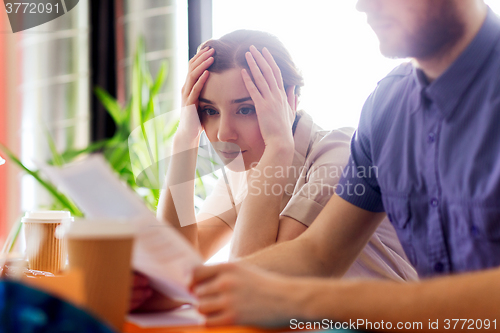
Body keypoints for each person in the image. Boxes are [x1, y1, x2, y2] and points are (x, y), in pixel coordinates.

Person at [190, 0, 500, 328]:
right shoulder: (387, 107)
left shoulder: (331, 152)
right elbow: (318, 254)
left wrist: (301, 301)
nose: (362, 4)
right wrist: (196, 289)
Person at [130, 30, 417, 312]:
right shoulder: (245, 168)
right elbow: (177, 262)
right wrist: (185, 139)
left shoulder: (335, 156)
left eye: (245, 110)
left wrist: (279, 146)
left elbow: (253, 286)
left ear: (289, 100)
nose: (223, 133)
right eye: (209, 111)